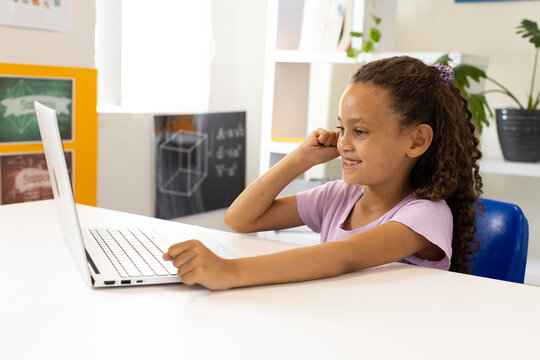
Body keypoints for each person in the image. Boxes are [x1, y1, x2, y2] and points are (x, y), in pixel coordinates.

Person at [163, 56, 483, 291]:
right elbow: (241, 218)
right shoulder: (339, 197)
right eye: (341, 127)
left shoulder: (425, 215)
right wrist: (300, 158)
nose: (343, 143)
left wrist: (229, 272)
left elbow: (343, 255)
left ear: (416, 140)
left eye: (359, 131)